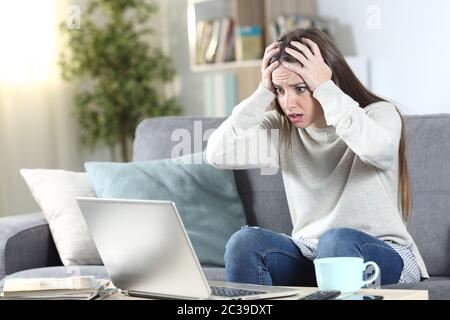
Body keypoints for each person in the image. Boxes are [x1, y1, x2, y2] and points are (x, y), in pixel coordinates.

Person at [205, 28, 429, 287]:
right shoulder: (282, 129)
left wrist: (325, 88)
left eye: (300, 88)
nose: (289, 103)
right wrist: (261, 94)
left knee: (337, 242)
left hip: (381, 254)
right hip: (311, 254)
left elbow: (375, 149)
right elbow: (217, 153)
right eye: (280, 89)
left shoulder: (378, 115)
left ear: (327, 80)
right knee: (243, 243)